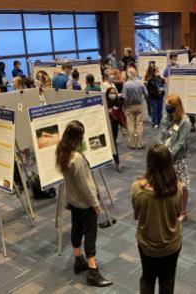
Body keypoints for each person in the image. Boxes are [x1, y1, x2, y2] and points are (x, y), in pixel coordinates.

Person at [55, 120, 112, 288]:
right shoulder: (77, 158)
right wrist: (95, 204)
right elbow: (85, 186)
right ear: (77, 137)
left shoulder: (62, 152)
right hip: (85, 203)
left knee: (76, 229)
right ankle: (93, 271)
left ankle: (78, 260)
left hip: (73, 201)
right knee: (90, 234)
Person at [131, 144, 182, 294]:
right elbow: (178, 214)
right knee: (167, 280)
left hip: (147, 245)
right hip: (171, 244)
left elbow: (137, 215)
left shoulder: (136, 188)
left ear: (149, 163)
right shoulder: (177, 188)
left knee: (147, 278)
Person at [158, 95, 191, 222]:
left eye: (169, 106)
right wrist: (160, 150)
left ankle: (183, 211)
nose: (167, 108)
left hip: (177, 159)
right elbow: (160, 134)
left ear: (176, 107)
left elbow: (181, 143)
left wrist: (168, 155)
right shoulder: (166, 118)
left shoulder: (185, 121)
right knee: (167, 184)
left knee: (183, 186)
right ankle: (171, 207)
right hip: (164, 157)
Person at [122, 67, 148, 149]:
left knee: (130, 125)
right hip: (140, 105)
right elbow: (146, 94)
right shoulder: (141, 83)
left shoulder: (126, 84)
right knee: (139, 125)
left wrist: (125, 106)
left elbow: (124, 98)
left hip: (130, 106)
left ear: (128, 74)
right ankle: (140, 143)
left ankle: (132, 143)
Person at [105, 87, 125, 173]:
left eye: (114, 93)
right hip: (106, 126)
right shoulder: (104, 103)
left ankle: (110, 157)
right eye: (111, 93)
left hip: (115, 126)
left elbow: (120, 115)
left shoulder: (118, 103)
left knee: (112, 142)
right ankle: (118, 162)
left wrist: (123, 128)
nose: (113, 95)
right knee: (113, 144)